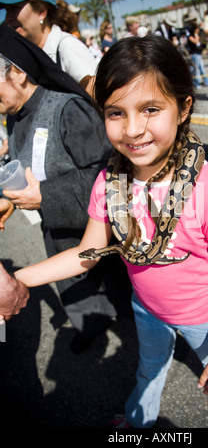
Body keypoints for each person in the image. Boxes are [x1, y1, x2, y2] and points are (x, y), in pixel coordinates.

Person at [5, 35, 208, 428]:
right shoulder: (109, 181)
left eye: (150, 109)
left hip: (199, 315)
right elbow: (88, 252)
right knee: (149, 366)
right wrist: (16, 280)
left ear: (184, 107)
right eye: (115, 112)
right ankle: (142, 416)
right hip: (146, 308)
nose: (133, 129)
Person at [0, 24, 130, 354]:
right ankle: (93, 324)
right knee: (75, 285)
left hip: (93, 226)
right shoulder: (13, 115)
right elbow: (29, 171)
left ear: (17, 73)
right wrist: (11, 202)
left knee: (118, 287)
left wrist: (45, 195)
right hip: (57, 228)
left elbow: (109, 176)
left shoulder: (67, 108)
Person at [0, 0, 98, 96]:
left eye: (14, 8)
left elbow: (98, 97)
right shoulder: (26, 56)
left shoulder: (67, 47)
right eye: (6, 10)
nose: (8, 17)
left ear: (42, 11)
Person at [186, 13, 208, 88]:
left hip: (198, 53)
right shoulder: (190, 35)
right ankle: (197, 84)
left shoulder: (198, 33)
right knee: (196, 69)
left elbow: (201, 42)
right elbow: (196, 42)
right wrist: (196, 34)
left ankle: (206, 82)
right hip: (194, 54)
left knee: (202, 69)